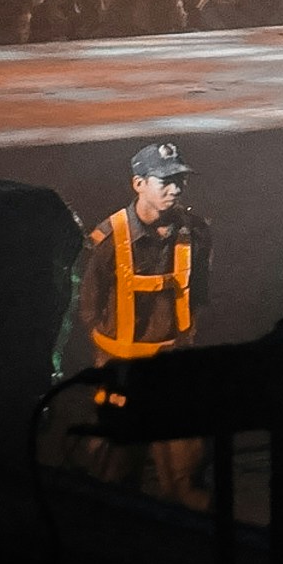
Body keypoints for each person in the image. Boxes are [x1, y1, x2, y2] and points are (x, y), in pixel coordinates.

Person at [78, 141, 212, 504]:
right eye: (164, 181)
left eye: (180, 181)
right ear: (138, 184)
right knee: (112, 473)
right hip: (121, 371)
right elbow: (88, 304)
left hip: (174, 367)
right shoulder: (108, 239)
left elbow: (199, 294)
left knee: (186, 476)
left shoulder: (195, 233)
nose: (175, 189)